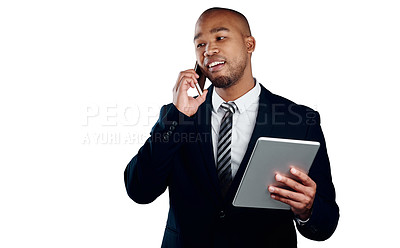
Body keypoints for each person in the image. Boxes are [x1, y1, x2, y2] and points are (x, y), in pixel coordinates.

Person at [124, 7, 339, 248]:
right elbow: (139, 190)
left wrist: (307, 210)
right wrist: (177, 116)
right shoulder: (177, 117)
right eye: (200, 44)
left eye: (220, 37)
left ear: (250, 44)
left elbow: (326, 223)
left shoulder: (300, 120)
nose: (209, 50)